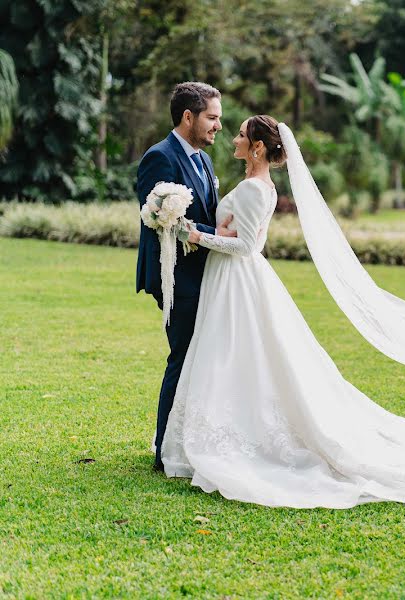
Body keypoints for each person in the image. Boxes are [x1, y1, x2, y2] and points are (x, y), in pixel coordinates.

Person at [160, 115, 405, 508]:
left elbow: (248, 247)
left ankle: (231, 436)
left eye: (242, 134)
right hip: (232, 281)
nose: (234, 139)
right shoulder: (254, 185)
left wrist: (195, 234)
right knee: (237, 358)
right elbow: (238, 233)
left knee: (234, 356)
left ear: (259, 146)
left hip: (238, 282)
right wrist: (216, 232)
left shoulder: (254, 188)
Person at [135, 82, 237, 472]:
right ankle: (165, 449)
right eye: (212, 118)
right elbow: (160, 221)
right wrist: (213, 236)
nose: (218, 127)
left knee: (201, 357)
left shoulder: (204, 161)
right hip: (176, 276)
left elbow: (206, 214)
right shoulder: (159, 158)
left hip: (205, 271)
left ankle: (190, 440)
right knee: (183, 356)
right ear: (188, 117)